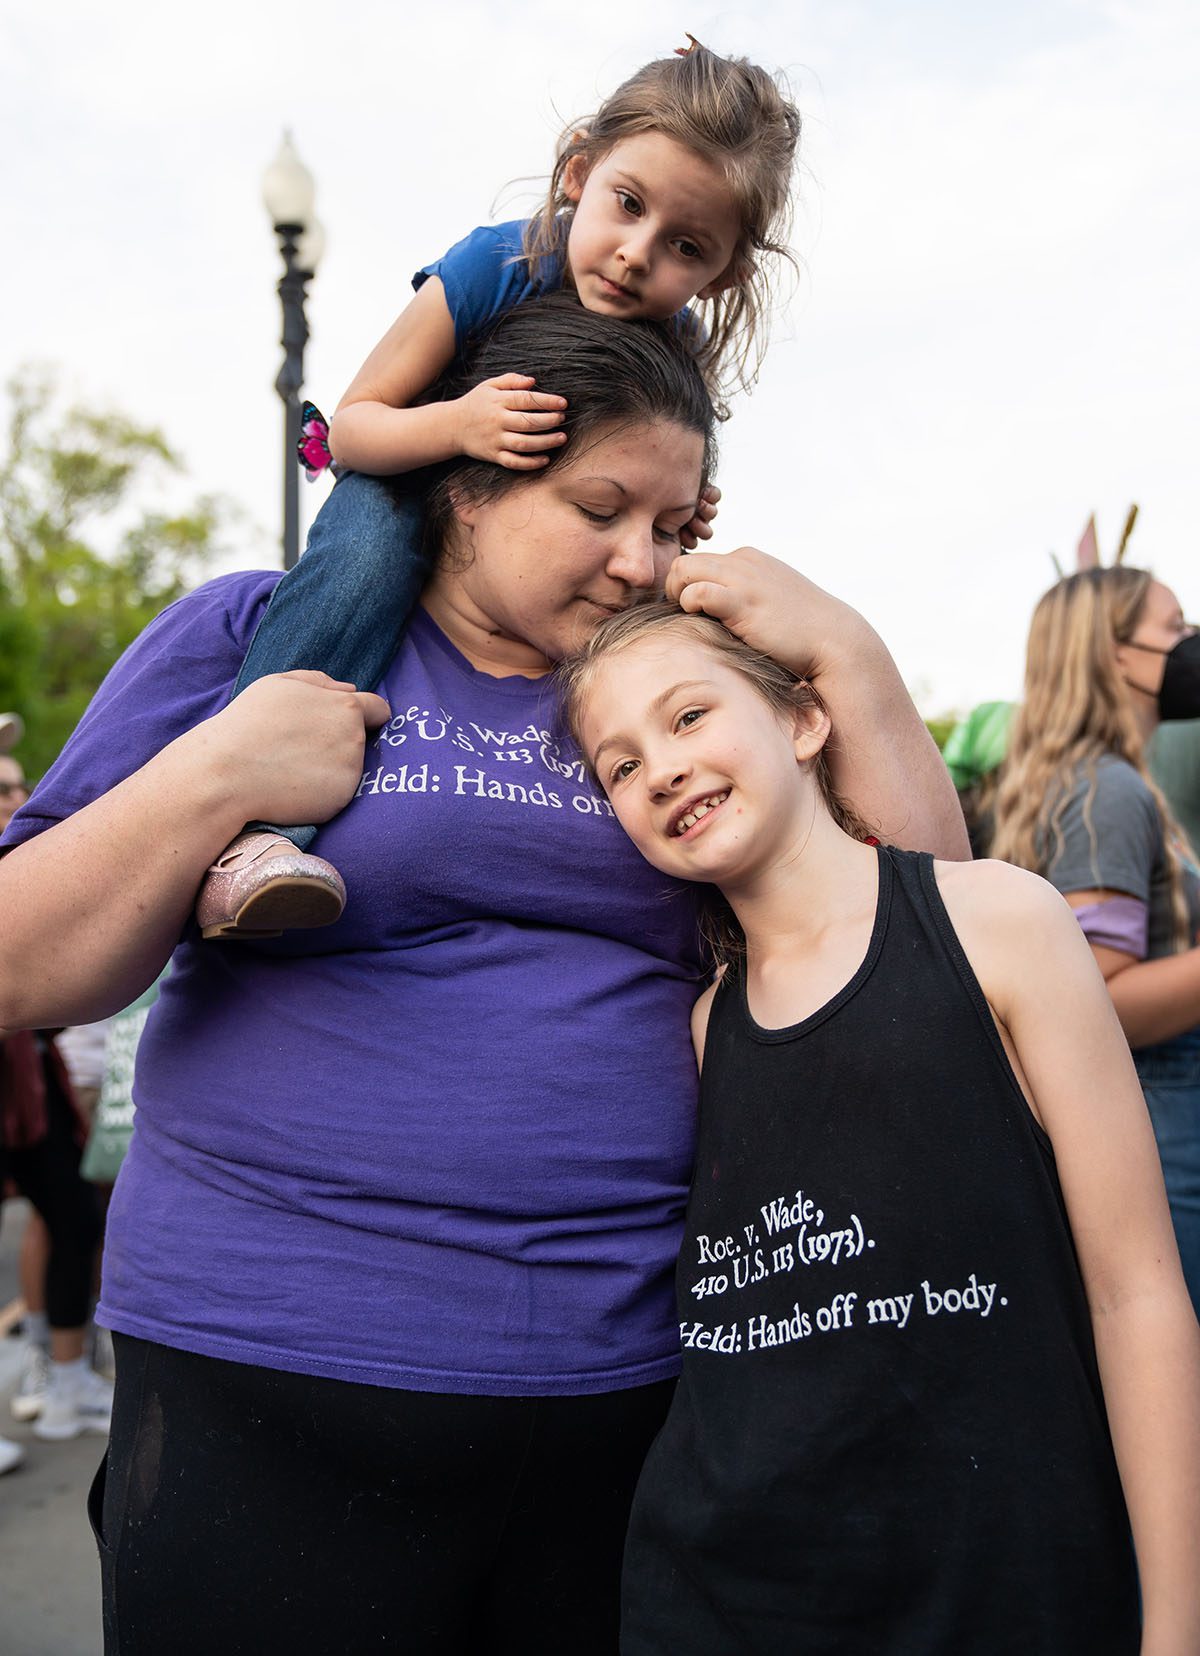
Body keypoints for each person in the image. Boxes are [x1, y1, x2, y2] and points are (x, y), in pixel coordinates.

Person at [0, 298, 966, 1653]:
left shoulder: (675, 711)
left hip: (622, 1395)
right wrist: (218, 771)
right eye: (600, 508)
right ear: (466, 488)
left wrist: (851, 659)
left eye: (674, 526)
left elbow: (931, 949)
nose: (641, 559)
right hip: (269, 1379)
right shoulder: (264, 638)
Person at [560, 600, 1200, 1654]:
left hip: (996, 1586)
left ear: (805, 721)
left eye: (687, 717)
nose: (661, 770)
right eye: (619, 766)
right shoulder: (707, 1022)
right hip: (723, 1592)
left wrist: (1173, 1625)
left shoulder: (998, 920)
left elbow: (1137, 1291)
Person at [196, 36, 801, 939]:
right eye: (626, 205)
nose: (637, 255)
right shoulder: (498, 265)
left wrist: (679, 510)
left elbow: (653, 465)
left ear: (727, 273)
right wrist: (458, 426)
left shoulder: (676, 347)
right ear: (578, 171)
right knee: (360, 569)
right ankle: (251, 831)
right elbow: (356, 424)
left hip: (512, 530)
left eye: (685, 246)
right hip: (408, 469)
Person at [991, 568, 1200, 1320]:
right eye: (1175, 628)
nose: (1188, 646)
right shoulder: (1106, 789)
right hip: (1161, 1115)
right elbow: (1099, 1002)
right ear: (1114, 653)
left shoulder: (1086, 781)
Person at [0, 753, 112, 1448]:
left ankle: (67, 1378)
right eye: (2, 786)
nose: (16, 794)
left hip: (33, 1083)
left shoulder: (32, 860)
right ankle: (48, 1367)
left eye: (17, 784)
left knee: (73, 1218)